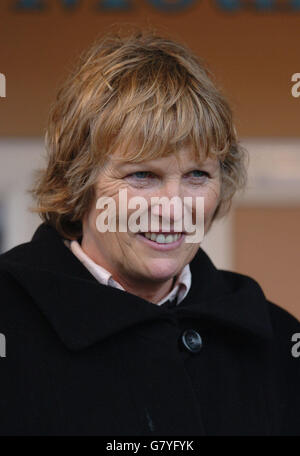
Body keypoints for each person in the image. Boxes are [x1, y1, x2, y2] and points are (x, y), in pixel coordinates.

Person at [0, 30, 299, 436]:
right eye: (142, 175)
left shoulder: (276, 338)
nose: (173, 206)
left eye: (197, 175)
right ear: (78, 181)